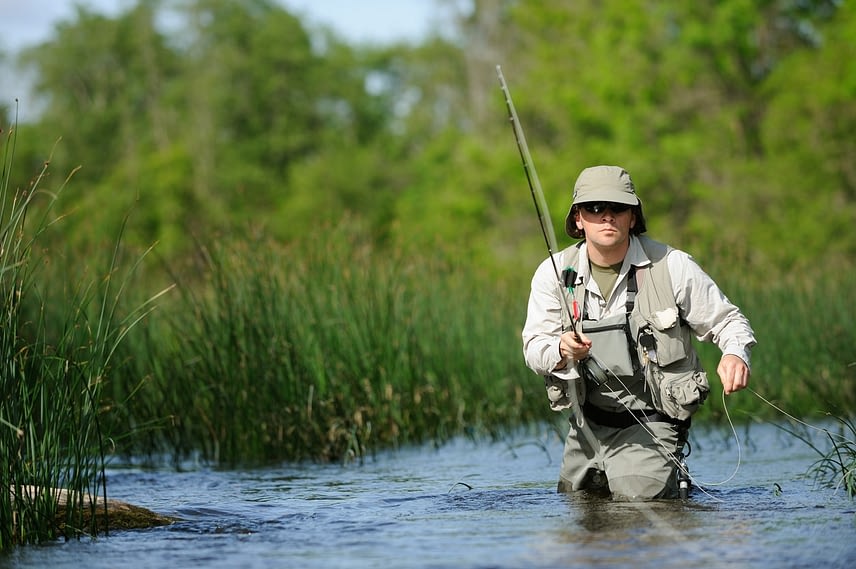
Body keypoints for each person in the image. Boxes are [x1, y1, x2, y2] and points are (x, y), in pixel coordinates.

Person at [522, 165, 756, 500]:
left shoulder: (673, 265)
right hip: (585, 429)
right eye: (595, 208)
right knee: (577, 510)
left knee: (636, 502)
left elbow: (728, 321)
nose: (607, 217)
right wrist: (561, 351)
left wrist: (734, 354)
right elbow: (533, 347)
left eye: (618, 208)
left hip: (653, 423)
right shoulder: (553, 274)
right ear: (578, 219)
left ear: (633, 216)